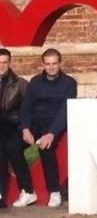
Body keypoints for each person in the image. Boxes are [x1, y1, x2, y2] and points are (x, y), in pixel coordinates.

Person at [8, 49, 77, 208]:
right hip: (34, 123)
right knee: (12, 147)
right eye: (48, 64)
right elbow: (26, 108)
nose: (51, 67)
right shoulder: (35, 82)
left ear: (60, 63)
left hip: (55, 124)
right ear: (43, 64)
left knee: (45, 148)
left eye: (54, 63)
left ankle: (54, 191)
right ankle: (28, 191)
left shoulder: (69, 83)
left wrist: (52, 133)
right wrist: (25, 128)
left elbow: (65, 111)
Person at [0, 49, 28, 207]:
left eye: (4, 62)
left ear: (10, 63)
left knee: (2, 150)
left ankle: (1, 196)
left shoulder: (20, 84)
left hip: (10, 124)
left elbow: (25, 110)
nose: (1, 66)